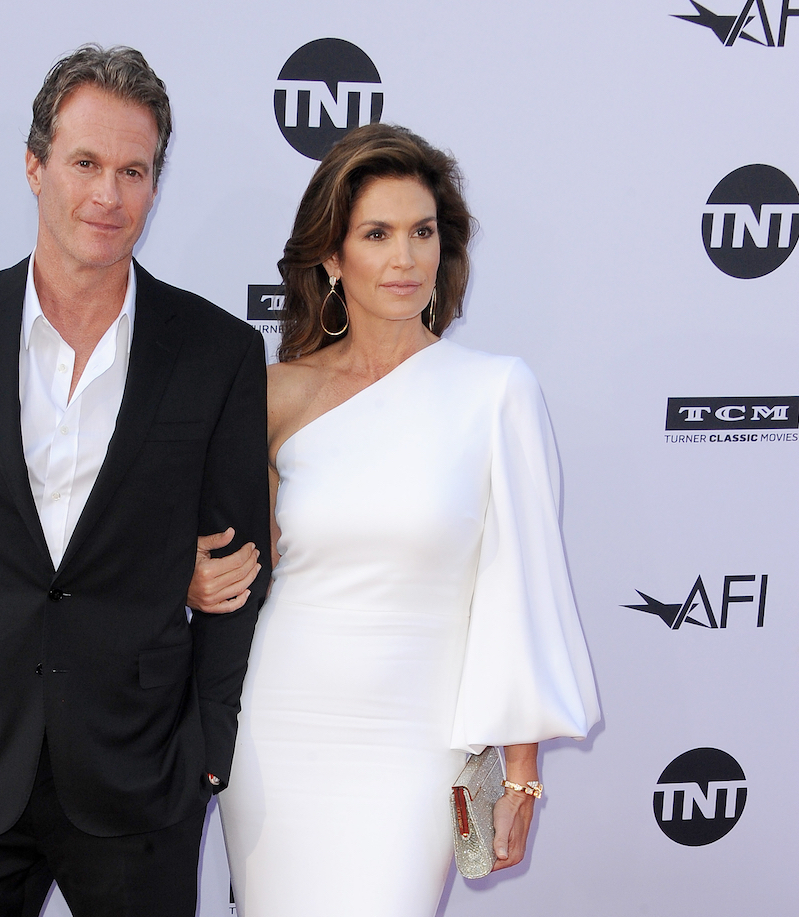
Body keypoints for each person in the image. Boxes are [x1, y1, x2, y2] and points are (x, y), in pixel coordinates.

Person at [0, 45, 271, 917]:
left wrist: (210, 746)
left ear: (156, 184)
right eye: (85, 163)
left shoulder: (217, 351)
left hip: (141, 770)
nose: (108, 196)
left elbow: (238, 569)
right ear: (35, 165)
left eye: (134, 170)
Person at [188, 123, 601, 916]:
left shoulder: (495, 392)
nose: (406, 258)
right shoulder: (274, 394)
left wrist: (521, 773)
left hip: (417, 739)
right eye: (377, 234)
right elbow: (227, 553)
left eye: (423, 232)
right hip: (277, 727)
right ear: (333, 257)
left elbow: (521, 593)